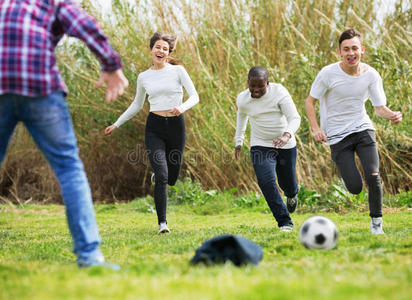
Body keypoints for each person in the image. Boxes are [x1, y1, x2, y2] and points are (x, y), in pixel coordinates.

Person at [0, 0, 129, 268]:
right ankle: (90, 256)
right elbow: (83, 24)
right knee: (69, 167)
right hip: (40, 85)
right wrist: (111, 64)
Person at [305, 29, 402, 234]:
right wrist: (316, 128)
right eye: (346, 49)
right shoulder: (328, 74)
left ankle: (377, 225)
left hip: (362, 128)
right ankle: (351, 177)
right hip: (337, 136)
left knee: (374, 175)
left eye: (355, 48)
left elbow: (378, 109)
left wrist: (392, 115)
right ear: (339, 52)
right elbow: (310, 101)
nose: (351, 53)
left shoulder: (371, 75)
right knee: (355, 187)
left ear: (362, 50)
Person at [105, 32, 199, 234]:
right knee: (163, 176)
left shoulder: (178, 71)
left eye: (165, 48)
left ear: (168, 53)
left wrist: (181, 108)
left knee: (172, 177)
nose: (161, 51)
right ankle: (162, 223)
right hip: (154, 127)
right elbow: (137, 104)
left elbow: (195, 96)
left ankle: (161, 177)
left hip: (176, 125)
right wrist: (117, 123)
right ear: (151, 49)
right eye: (158, 47)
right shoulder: (143, 77)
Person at [234, 66, 301, 232]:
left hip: (285, 143)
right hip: (260, 144)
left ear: (268, 83)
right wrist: (238, 141)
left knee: (288, 184)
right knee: (266, 181)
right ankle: (284, 221)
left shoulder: (279, 92)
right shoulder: (243, 99)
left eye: (260, 86)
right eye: (252, 86)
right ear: (247, 83)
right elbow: (242, 117)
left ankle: (292, 194)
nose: (256, 90)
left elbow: (294, 118)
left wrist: (286, 135)